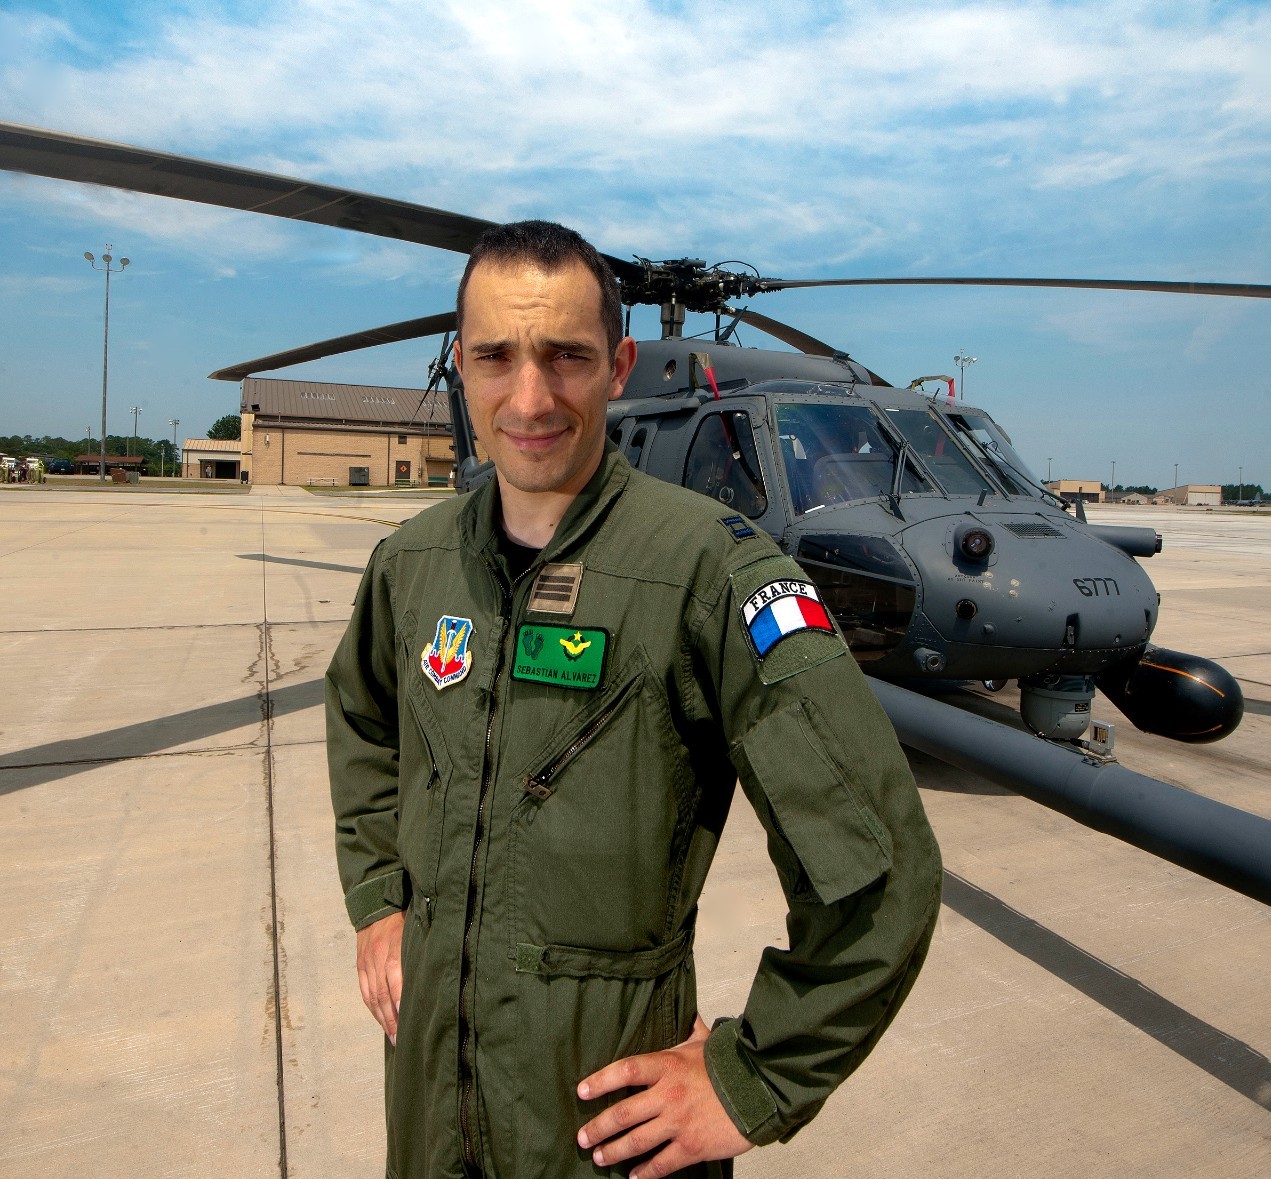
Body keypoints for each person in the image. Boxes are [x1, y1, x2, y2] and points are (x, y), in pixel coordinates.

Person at [326, 220, 942, 1179]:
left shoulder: (712, 573)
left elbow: (882, 871)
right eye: (495, 357)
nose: (530, 398)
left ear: (617, 368)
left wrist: (753, 1078)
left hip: (604, 1137)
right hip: (430, 1120)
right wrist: (378, 903)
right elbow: (364, 719)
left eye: (566, 357)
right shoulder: (413, 564)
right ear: (463, 369)